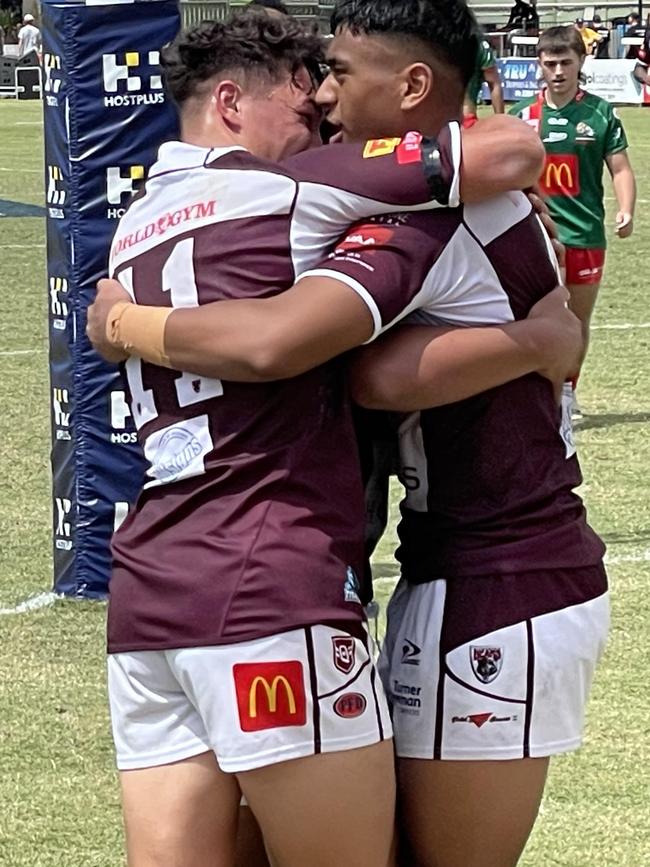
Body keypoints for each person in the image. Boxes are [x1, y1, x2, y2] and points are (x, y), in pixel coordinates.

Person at [88, 2, 600, 865]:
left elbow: (342, 358)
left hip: (175, 585)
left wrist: (122, 323)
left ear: (410, 88)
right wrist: (539, 337)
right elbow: (295, 346)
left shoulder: (134, 222)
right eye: (307, 87)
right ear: (230, 103)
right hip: (282, 578)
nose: (322, 103)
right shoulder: (307, 191)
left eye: (336, 77)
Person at [510, 25, 636, 387]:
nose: (559, 72)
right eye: (550, 63)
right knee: (531, 321)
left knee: (576, 321)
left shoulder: (600, 113)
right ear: (540, 65)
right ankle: (532, 394)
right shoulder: (522, 117)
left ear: (582, 61)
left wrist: (626, 207)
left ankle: (567, 392)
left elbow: (621, 167)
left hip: (584, 236)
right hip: (535, 238)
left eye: (566, 62)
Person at [463, 32, 504, 129]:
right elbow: (494, 84)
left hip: (463, 118)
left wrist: (501, 120)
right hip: (459, 117)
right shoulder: (479, 44)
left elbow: (494, 84)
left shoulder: (479, 45)